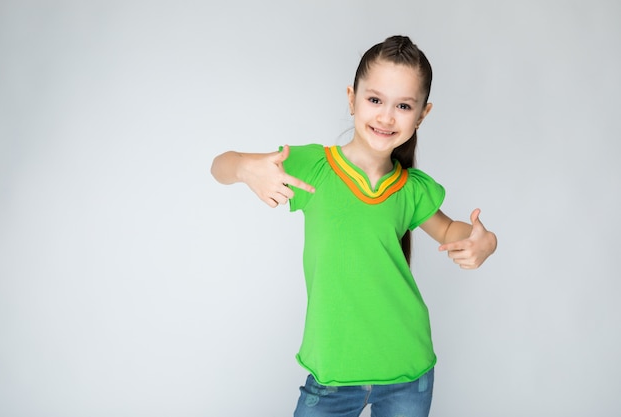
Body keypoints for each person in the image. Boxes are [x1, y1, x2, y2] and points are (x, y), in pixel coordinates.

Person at [211, 35, 497, 417]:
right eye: (375, 100)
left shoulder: (411, 189)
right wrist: (246, 170)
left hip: (407, 373)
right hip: (330, 380)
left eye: (403, 106)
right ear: (352, 98)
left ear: (422, 114)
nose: (386, 116)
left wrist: (485, 241)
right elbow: (221, 165)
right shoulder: (315, 167)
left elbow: (448, 231)